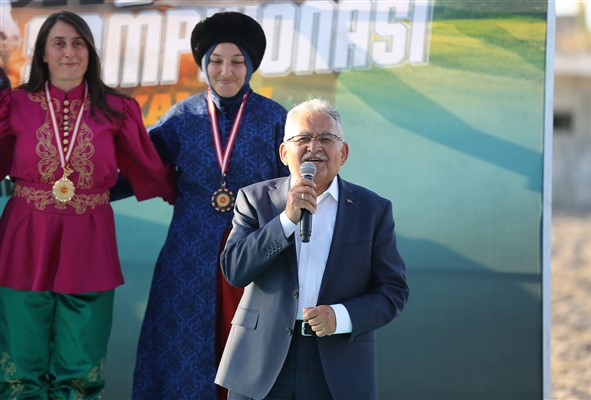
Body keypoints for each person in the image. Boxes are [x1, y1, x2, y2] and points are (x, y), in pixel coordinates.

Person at [0, 11, 176, 399]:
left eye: (78, 43)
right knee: (18, 370)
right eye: (59, 43)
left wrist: (199, 189)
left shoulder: (116, 108)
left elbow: (151, 170)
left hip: (89, 241)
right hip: (24, 240)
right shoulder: (15, 103)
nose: (69, 52)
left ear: (90, 52)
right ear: (42, 53)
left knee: (80, 371)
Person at [131, 12, 289, 399]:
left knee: (250, 358)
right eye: (216, 61)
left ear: (250, 66)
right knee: (181, 356)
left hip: (255, 255)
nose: (226, 72)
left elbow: (298, 185)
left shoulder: (275, 119)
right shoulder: (181, 118)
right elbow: (137, 166)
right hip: (187, 259)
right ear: (203, 64)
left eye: (237, 62)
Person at [215, 98, 410, 399]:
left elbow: (393, 291)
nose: (314, 147)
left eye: (326, 138)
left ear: (343, 153)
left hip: (337, 365)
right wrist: (286, 220)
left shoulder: (373, 210)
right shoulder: (254, 200)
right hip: (260, 362)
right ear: (284, 152)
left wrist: (340, 317)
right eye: (303, 138)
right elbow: (235, 270)